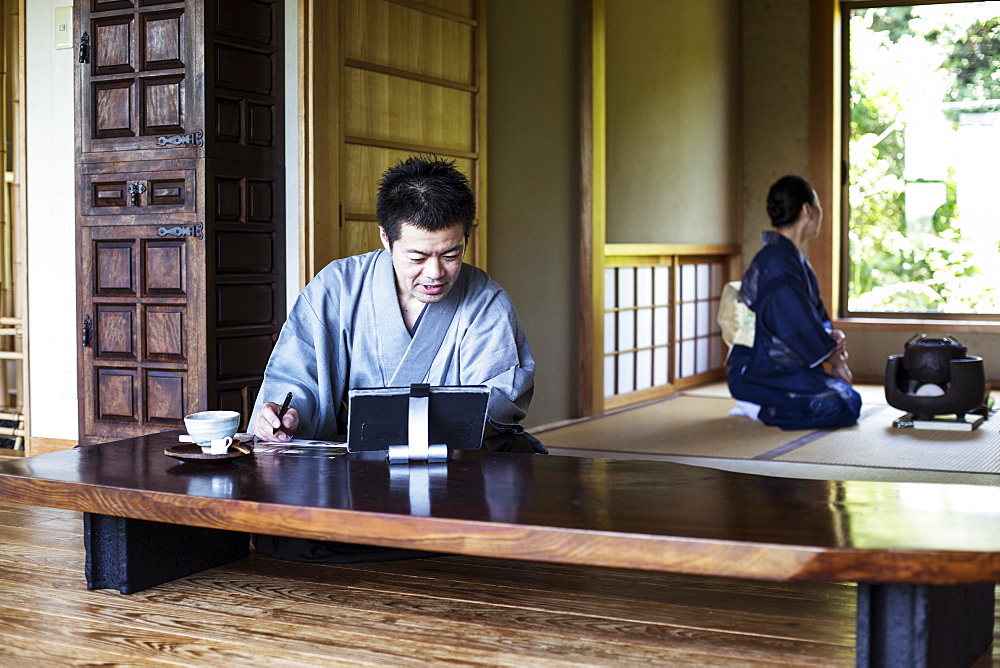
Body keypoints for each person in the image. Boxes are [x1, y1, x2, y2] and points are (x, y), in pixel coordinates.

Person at [252, 155, 543, 453]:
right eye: (417, 257)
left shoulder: (485, 301)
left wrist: (428, 432)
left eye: (451, 255)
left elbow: (499, 400)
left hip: (455, 462)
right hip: (352, 463)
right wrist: (287, 416)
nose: (435, 273)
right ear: (386, 238)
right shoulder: (338, 287)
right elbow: (297, 379)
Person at [726, 175, 862, 430]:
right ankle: (756, 405)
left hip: (783, 366)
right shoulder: (775, 263)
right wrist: (835, 360)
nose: (822, 213)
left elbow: (814, 317)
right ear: (807, 210)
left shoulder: (792, 260)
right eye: (818, 206)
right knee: (837, 405)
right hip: (759, 370)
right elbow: (798, 326)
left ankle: (767, 402)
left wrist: (831, 338)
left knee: (849, 398)